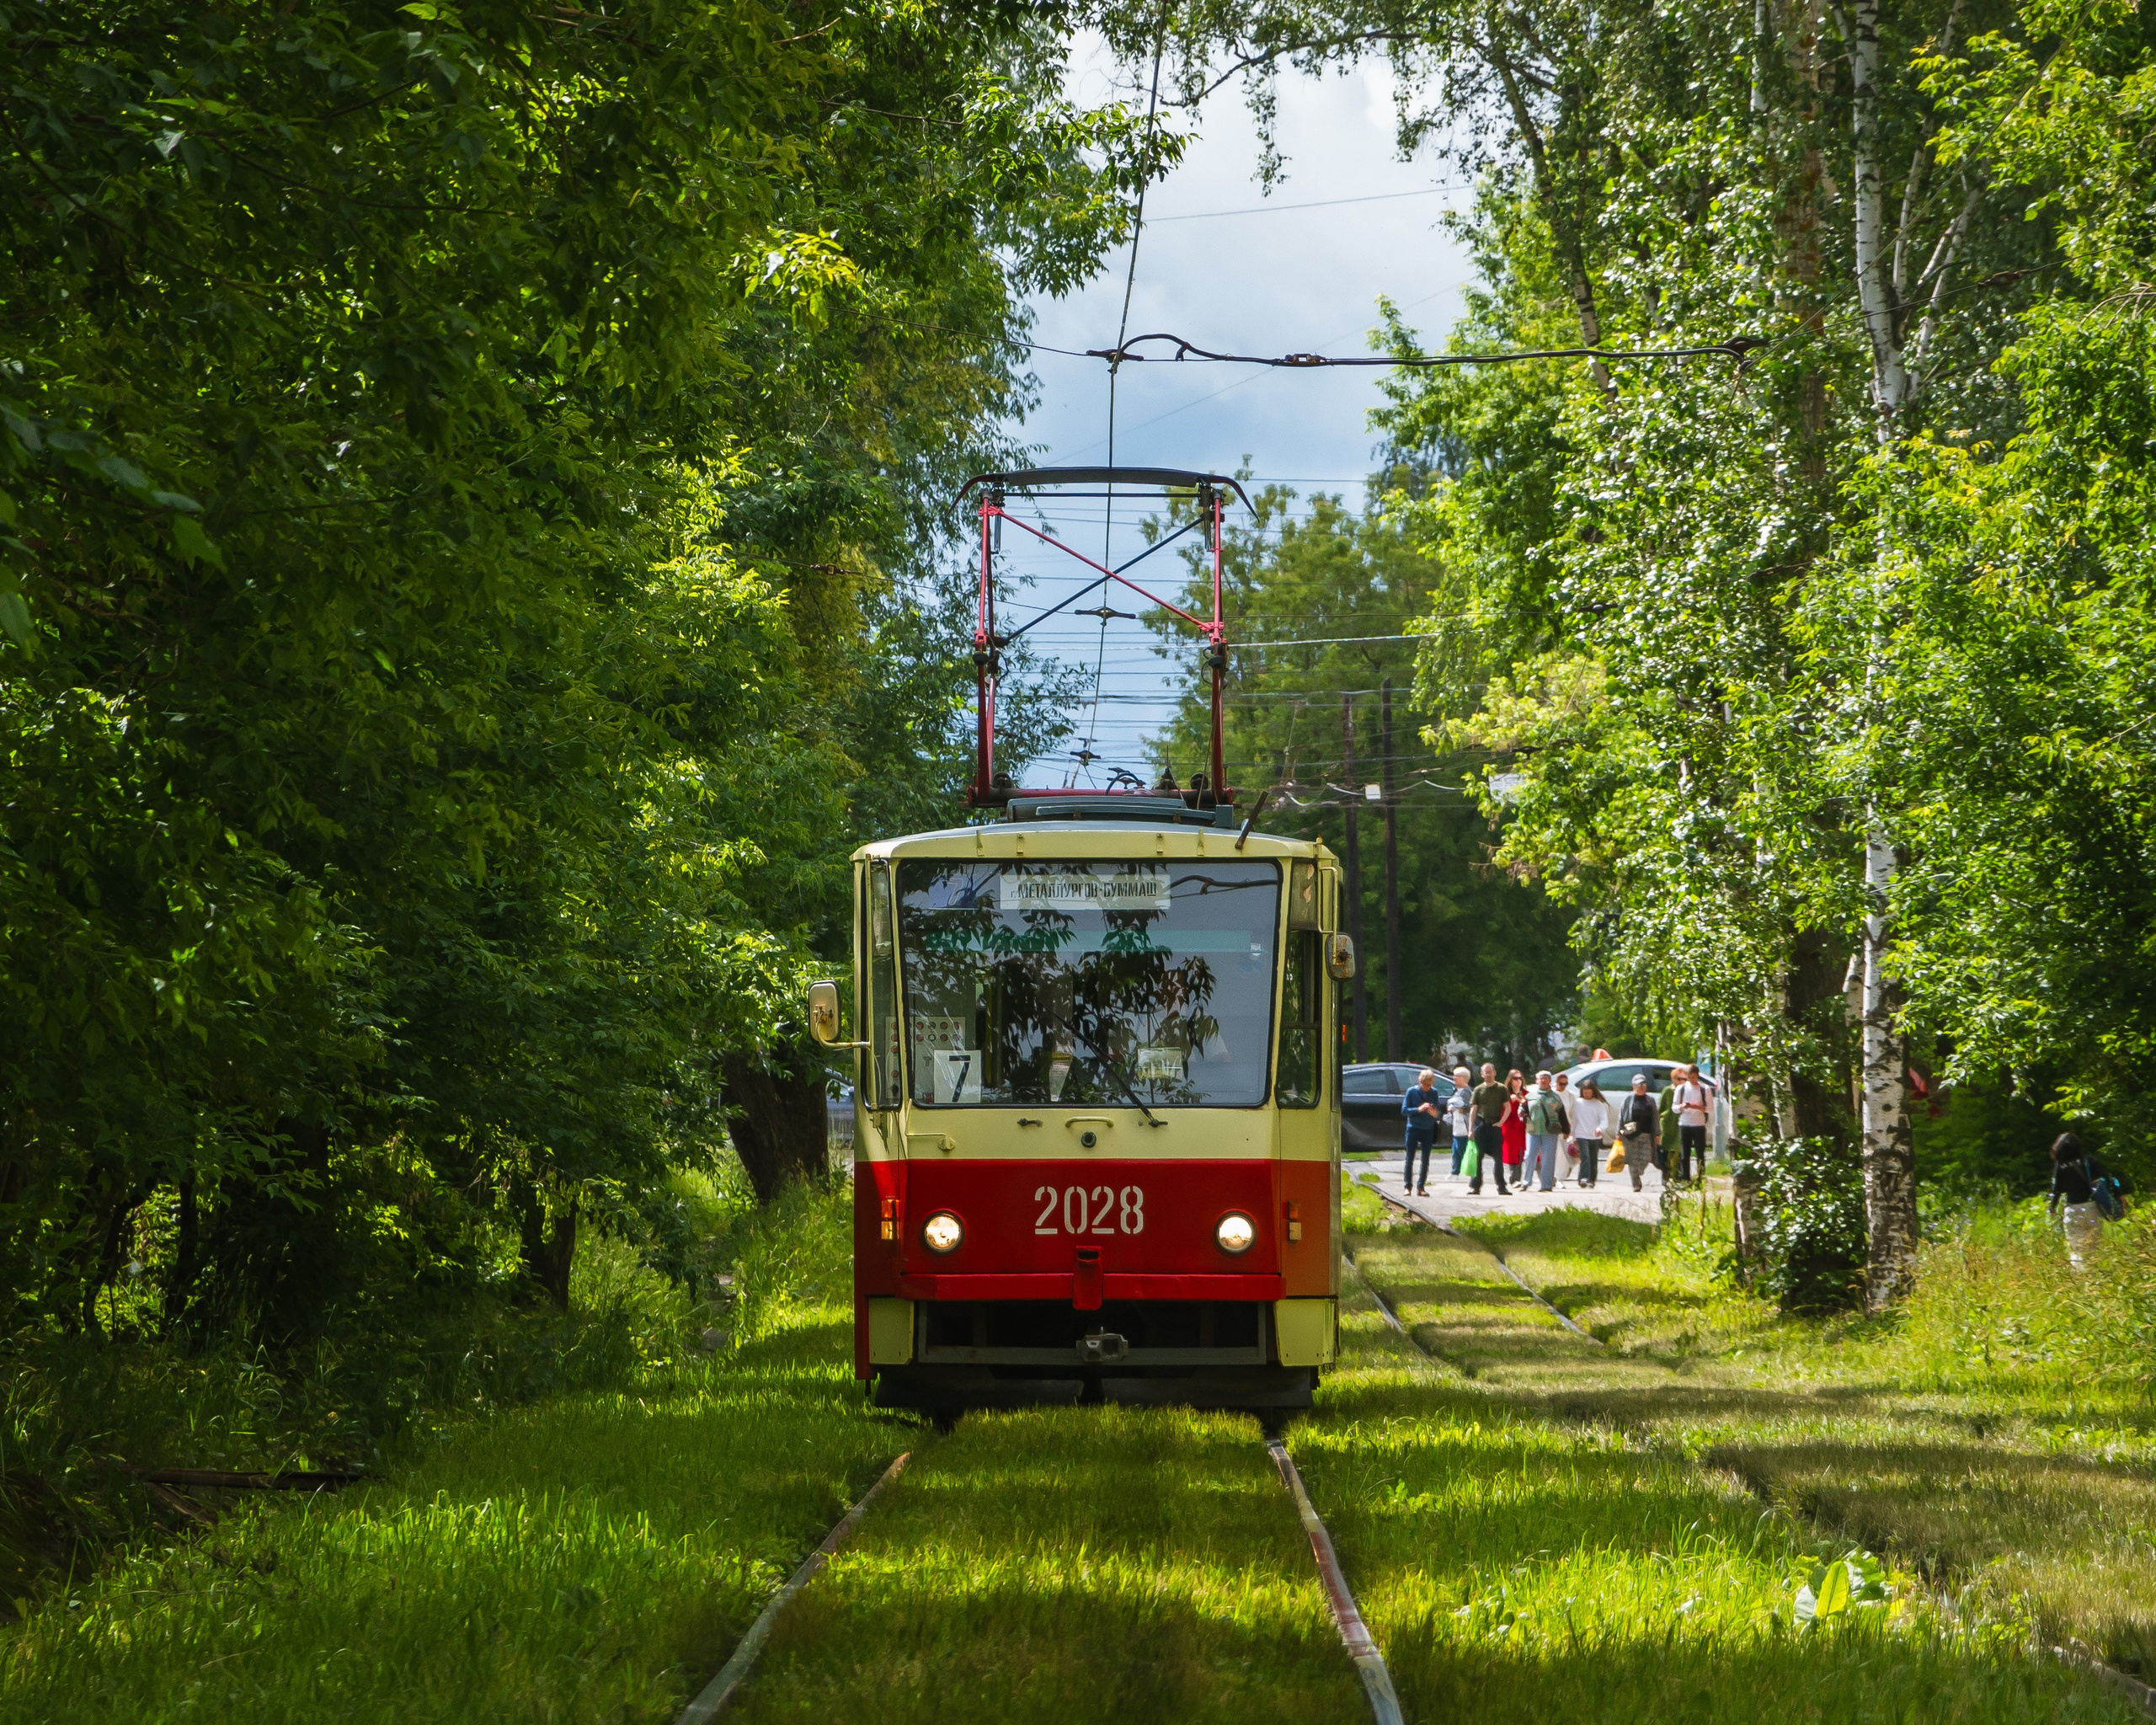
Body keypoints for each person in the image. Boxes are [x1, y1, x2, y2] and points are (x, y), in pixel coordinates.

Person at [2048, 1132, 2110, 1268]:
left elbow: (2056, 1190)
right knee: (2092, 1249)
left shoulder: (2060, 1166)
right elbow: (2106, 1179)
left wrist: (2052, 1207)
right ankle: (2093, 1276)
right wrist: (2118, 1195)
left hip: (2073, 1210)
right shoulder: (2089, 1161)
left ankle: (2079, 1276)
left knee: (2077, 1250)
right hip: (2092, 1208)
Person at [1401, 1068, 1444, 1195]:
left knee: (1425, 1159)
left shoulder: (1434, 1092)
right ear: (1420, 1082)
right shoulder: (1411, 1091)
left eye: (1430, 1085)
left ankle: (1421, 1187)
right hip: (1413, 1128)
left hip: (1428, 1129)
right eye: (1425, 1084)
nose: (1427, 1087)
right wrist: (1418, 1109)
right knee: (1410, 1157)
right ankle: (1407, 1186)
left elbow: (1437, 1112)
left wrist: (1434, 1112)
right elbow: (1404, 1110)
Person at [1470, 1061, 1510, 1196]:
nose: (1488, 1074)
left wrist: (1501, 1122)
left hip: (1495, 1125)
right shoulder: (1478, 1090)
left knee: (1498, 1157)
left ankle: (1501, 1187)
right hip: (1481, 1125)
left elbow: (1508, 1107)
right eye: (1485, 1072)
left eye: (1490, 1072)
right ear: (1481, 1074)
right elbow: (1473, 1110)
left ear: (1494, 1073)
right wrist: (1470, 1129)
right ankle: (1475, 1186)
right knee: (1478, 1157)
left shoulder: (1501, 1088)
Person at [1618, 1072, 1661, 1194]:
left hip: (1646, 1134)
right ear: (1633, 1086)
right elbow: (1621, 1116)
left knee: (1646, 1158)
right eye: (1639, 1084)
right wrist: (1618, 1133)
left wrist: (1657, 1133)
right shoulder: (1628, 1099)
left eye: (1643, 1084)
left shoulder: (1650, 1100)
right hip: (1630, 1134)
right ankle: (1636, 1184)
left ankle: (1637, 1173)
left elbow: (1655, 1118)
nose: (1642, 1087)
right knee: (1632, 1160)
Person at [1525, 1071, 1567, 1192]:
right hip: (1533, 1131)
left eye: (1546, 1078)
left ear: (1549, 1081)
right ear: (1537, 1080)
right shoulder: (1530, 1096)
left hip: (1550, 1132)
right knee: (1529, 1156)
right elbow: (1522, 1110)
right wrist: (1523, 1116)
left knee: (1548, 1159)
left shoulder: (1555, 1097)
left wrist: (1566, 1130)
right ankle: (1526, 1181)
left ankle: (1546, 1185)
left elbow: (1562, 1114)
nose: (1543, 1080)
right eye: (1541, 1078)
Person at [1670, 1064, 1712, 1183]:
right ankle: (1686, 1178)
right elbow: (1674, 1108)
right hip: (1684, 1124)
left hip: (1699, 1124)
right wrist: (1682, 1107)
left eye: (1695, 1077)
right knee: (1685, 1153)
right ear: (1687, 1076)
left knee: (1700, 1152)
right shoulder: (1681, 1089)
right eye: (1690, 1077)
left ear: (1698, 1076)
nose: (1692, 1080)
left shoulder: (1704, 1089)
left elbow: (1710, 1108)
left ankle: (1700, 1177)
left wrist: (1697, 1107)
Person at [1568, 1078, 1610, 1188]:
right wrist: (1573, 1137)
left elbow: (1603, 1119)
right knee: (1585, 1157)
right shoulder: (1578, 1103)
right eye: (1585, 1092)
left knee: (1593, 1158)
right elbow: (1574, 1120)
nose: (1587, 1095)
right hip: (1581, 1134)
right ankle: (1583, 1178)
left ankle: (1592, 1179)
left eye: (1589, 1092)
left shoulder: (1598, 1104)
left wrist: (1600, 1129)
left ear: (1593, 1092)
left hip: (1595, 1136)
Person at [1499, 1070, 1529, 1194]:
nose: (1518, 1081)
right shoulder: (1505, 1094)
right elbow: (1501, 1110)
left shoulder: (1526, 1094)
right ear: (1510, 1080)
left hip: (1522, 1127)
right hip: (1509, 1126)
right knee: (1512, 1152)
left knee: (1522, 1152)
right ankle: (1514, 1179)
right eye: (1515, 1078)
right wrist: (1510, 1101)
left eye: (1520, 1078)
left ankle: (1518, 1178)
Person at [1446, 1066, 1476, 1177]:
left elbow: (1470, 1106)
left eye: (1456, 1076)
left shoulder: (1466, 1091)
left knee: (1462, 1149)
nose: (1454, 1078)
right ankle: (1455, 1171)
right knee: (1456, 1150)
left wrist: (1462, 1109)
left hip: (1464, 1125)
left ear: (1463, 1078)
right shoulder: (1458, 1090)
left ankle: (1471, 1170)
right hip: (1457, 1125)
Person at [1552, 1071, 1578, 1182]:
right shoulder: (1552, 1094)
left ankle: (1565, 1170)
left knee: (1567, 1151)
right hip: (1553, 1127)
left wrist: (1572, 1129)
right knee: (1557, 1152)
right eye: (1561, 1083)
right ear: (1556, 1083)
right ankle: (1556, 1174)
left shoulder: (1570, 1095)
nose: (1563, 1086)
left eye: (1565, 1084)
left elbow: (1573, 1113)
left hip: (1565, 1128)